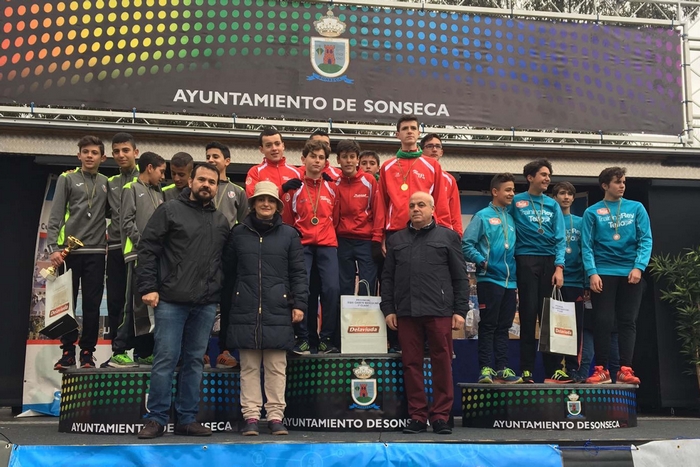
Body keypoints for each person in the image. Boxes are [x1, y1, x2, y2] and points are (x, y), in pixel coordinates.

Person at [136, 162, 230, 439]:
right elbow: (148, 249)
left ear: (216, 187)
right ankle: (156, 419)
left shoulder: (222, 222)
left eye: (211, 182)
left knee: (194, 361)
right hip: (170, 301)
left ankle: (187, 419)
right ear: (190, 181)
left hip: (205, 304)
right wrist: (149, 287)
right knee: (165, 359)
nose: (206, 185)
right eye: (201, 179)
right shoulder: (169, 210)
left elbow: (225, 262)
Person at [223, 181, 308, 436]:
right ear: (253, 204)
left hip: (278, 307)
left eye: (270, 201)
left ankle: (275, 417)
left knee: (275, 366)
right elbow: (227, 273)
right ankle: (250, 416)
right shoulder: (238, 233)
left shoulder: (290, 235)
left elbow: (298, 273)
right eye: (261, 200)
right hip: (245, 307)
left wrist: (300, 303)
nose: (266, 204)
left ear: (277, 205)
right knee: (248, 366)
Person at [381, 192, 468, 435]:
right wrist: (388, 309)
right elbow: (386, 279)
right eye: (411, 206)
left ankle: (441, 416)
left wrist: (460, 310)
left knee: (442, 362)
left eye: (421, 205)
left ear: (432, 209)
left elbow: (460, 277)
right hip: (406, 312)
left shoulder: (448, 237)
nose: (416, 209)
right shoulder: (396, 240)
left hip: (439, 311)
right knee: (411, 364)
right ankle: (417, 416)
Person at [582, 167, 652, 385]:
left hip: (630, 273)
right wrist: (592, 273)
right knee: (603, 321)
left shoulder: (636, 208)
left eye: (623, 182)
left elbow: (645, 239)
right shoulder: (592, 212)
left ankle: (625, 369)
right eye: (617, 182)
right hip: (603, 273)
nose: (622, 185)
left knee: (627, 321)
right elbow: (586, 245)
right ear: (605, 186)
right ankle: (601, 369)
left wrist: (639, 267)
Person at [49, 135, 109, 370]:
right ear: (79, 155)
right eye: (85, 152)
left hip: (96, 253)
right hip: (70, 253)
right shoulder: (67, 179)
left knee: (92, 305)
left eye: (94, 152)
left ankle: (87, 352)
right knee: (68, 304)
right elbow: (55, 215)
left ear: (102, 157)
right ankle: (67, 351)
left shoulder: (106, 181)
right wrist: (54, 247)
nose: (89, 156)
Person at [508, 159, 571, 384]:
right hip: (525, 259)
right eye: (543, 175)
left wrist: (559, 267)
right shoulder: (515, 202)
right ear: (530, 177)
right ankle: (526, 370)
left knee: (548, 319)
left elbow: (560, 236)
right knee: (528, 315)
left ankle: (553, 370)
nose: (547, 179)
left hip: (549, 262)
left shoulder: (552, 204)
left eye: (548, 175)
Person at [282, 139, 340, 354]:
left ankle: (326, 338)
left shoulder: (332, 187)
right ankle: (303, 338)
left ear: (326, 162)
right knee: (302, 289)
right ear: (303, 159)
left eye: (321, 157)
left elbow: (336, 218)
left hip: (327, 245)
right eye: (313, 156)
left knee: (332, 289)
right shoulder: (294, 187)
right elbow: (288, 220)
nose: (317, 160)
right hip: (302, 245)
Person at [462, 173, 521, 384]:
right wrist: (483, 262)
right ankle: (485, 369)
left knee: (504, 326)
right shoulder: (482, 216)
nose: (512, 194)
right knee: (488, 325)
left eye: (513, 190)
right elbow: (466, 244)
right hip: (489, 279)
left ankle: (502, 368)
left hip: (510, 281)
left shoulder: (512, 217)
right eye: (507, 190)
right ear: (495, 191)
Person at [109, 152, 166, 368]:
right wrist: (144, 247)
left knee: (146, 307)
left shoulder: (159, 193)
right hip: (136, 256)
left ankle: (143, 352)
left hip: (154, 258)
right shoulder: (130, 189)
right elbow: (127, 222)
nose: (163, 176)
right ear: (149, 168)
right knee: (130, 303)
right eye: (161, 171)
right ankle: (119, 350)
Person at [205, 141, 248, 369]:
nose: (211, 160)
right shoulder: (200, 186)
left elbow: (244, 223)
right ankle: (200, 352)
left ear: (227, 161)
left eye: (216, 156)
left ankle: (225, 351)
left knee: (228, 303)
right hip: (202, 253)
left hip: (228, 255)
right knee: (202, 302)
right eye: (208, 156)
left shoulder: (237, 192)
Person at [379, 115, 450, 243]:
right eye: (405, 128)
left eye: (413, 128)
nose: (409, 131)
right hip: (396, 230)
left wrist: (444, 232)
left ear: (418, 133)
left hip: (426, 230)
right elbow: (381, 204)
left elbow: (441, 201)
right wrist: (379, 236)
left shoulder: (432, 165)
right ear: (398, 134)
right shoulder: (387, 167)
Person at [335, 139, 384, 297]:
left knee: (367, 285)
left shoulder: (369, 181)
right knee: (344, 285)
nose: (348, 161)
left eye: (352, 156)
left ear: (357, 159)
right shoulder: (334, 182)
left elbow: (378, 211)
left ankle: (366, 321)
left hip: (365, 240)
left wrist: (377, 239)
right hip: (342, 239)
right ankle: (343, 322)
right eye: (344, 157)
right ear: (338, 160)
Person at [105, 133, 139, 345]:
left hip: (137, 249)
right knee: (115, 299)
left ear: (136, 152)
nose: (121, 155)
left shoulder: (145, 178)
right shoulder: (110, 182)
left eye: (125, 150)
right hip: (116, 247)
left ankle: (140, 350)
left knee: (136, 301)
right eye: (116, 151)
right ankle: (116, 351)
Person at [552, 181, 587, 382]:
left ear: (573, 198)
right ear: (555, 197)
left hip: (575, 281)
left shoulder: (581, 222)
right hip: (556, 282)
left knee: (575, 328)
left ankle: (573, 368)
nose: (566, 197)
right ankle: (557, 368)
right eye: (562, 193)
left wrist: (585, 281)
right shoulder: (549, 221)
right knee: (557, 326)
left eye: (569, 194)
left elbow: (586, 250)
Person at [420, 134, 463, 236]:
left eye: (437, 146)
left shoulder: (450, 180)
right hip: (417, 229)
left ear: (441, 152)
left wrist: (458, 235)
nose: (434, 149)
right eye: (430, 146)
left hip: (441, 231)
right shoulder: (415, 173)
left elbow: (455, 212)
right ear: (421, 151)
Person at [245, 128, 302, 197]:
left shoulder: (297, 172)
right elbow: (253, 197)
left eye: (277, 144)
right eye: (269, 145)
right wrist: (282, 189)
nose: (274, 148)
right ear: (261, 149)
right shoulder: (255, 172)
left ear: (283, 146)